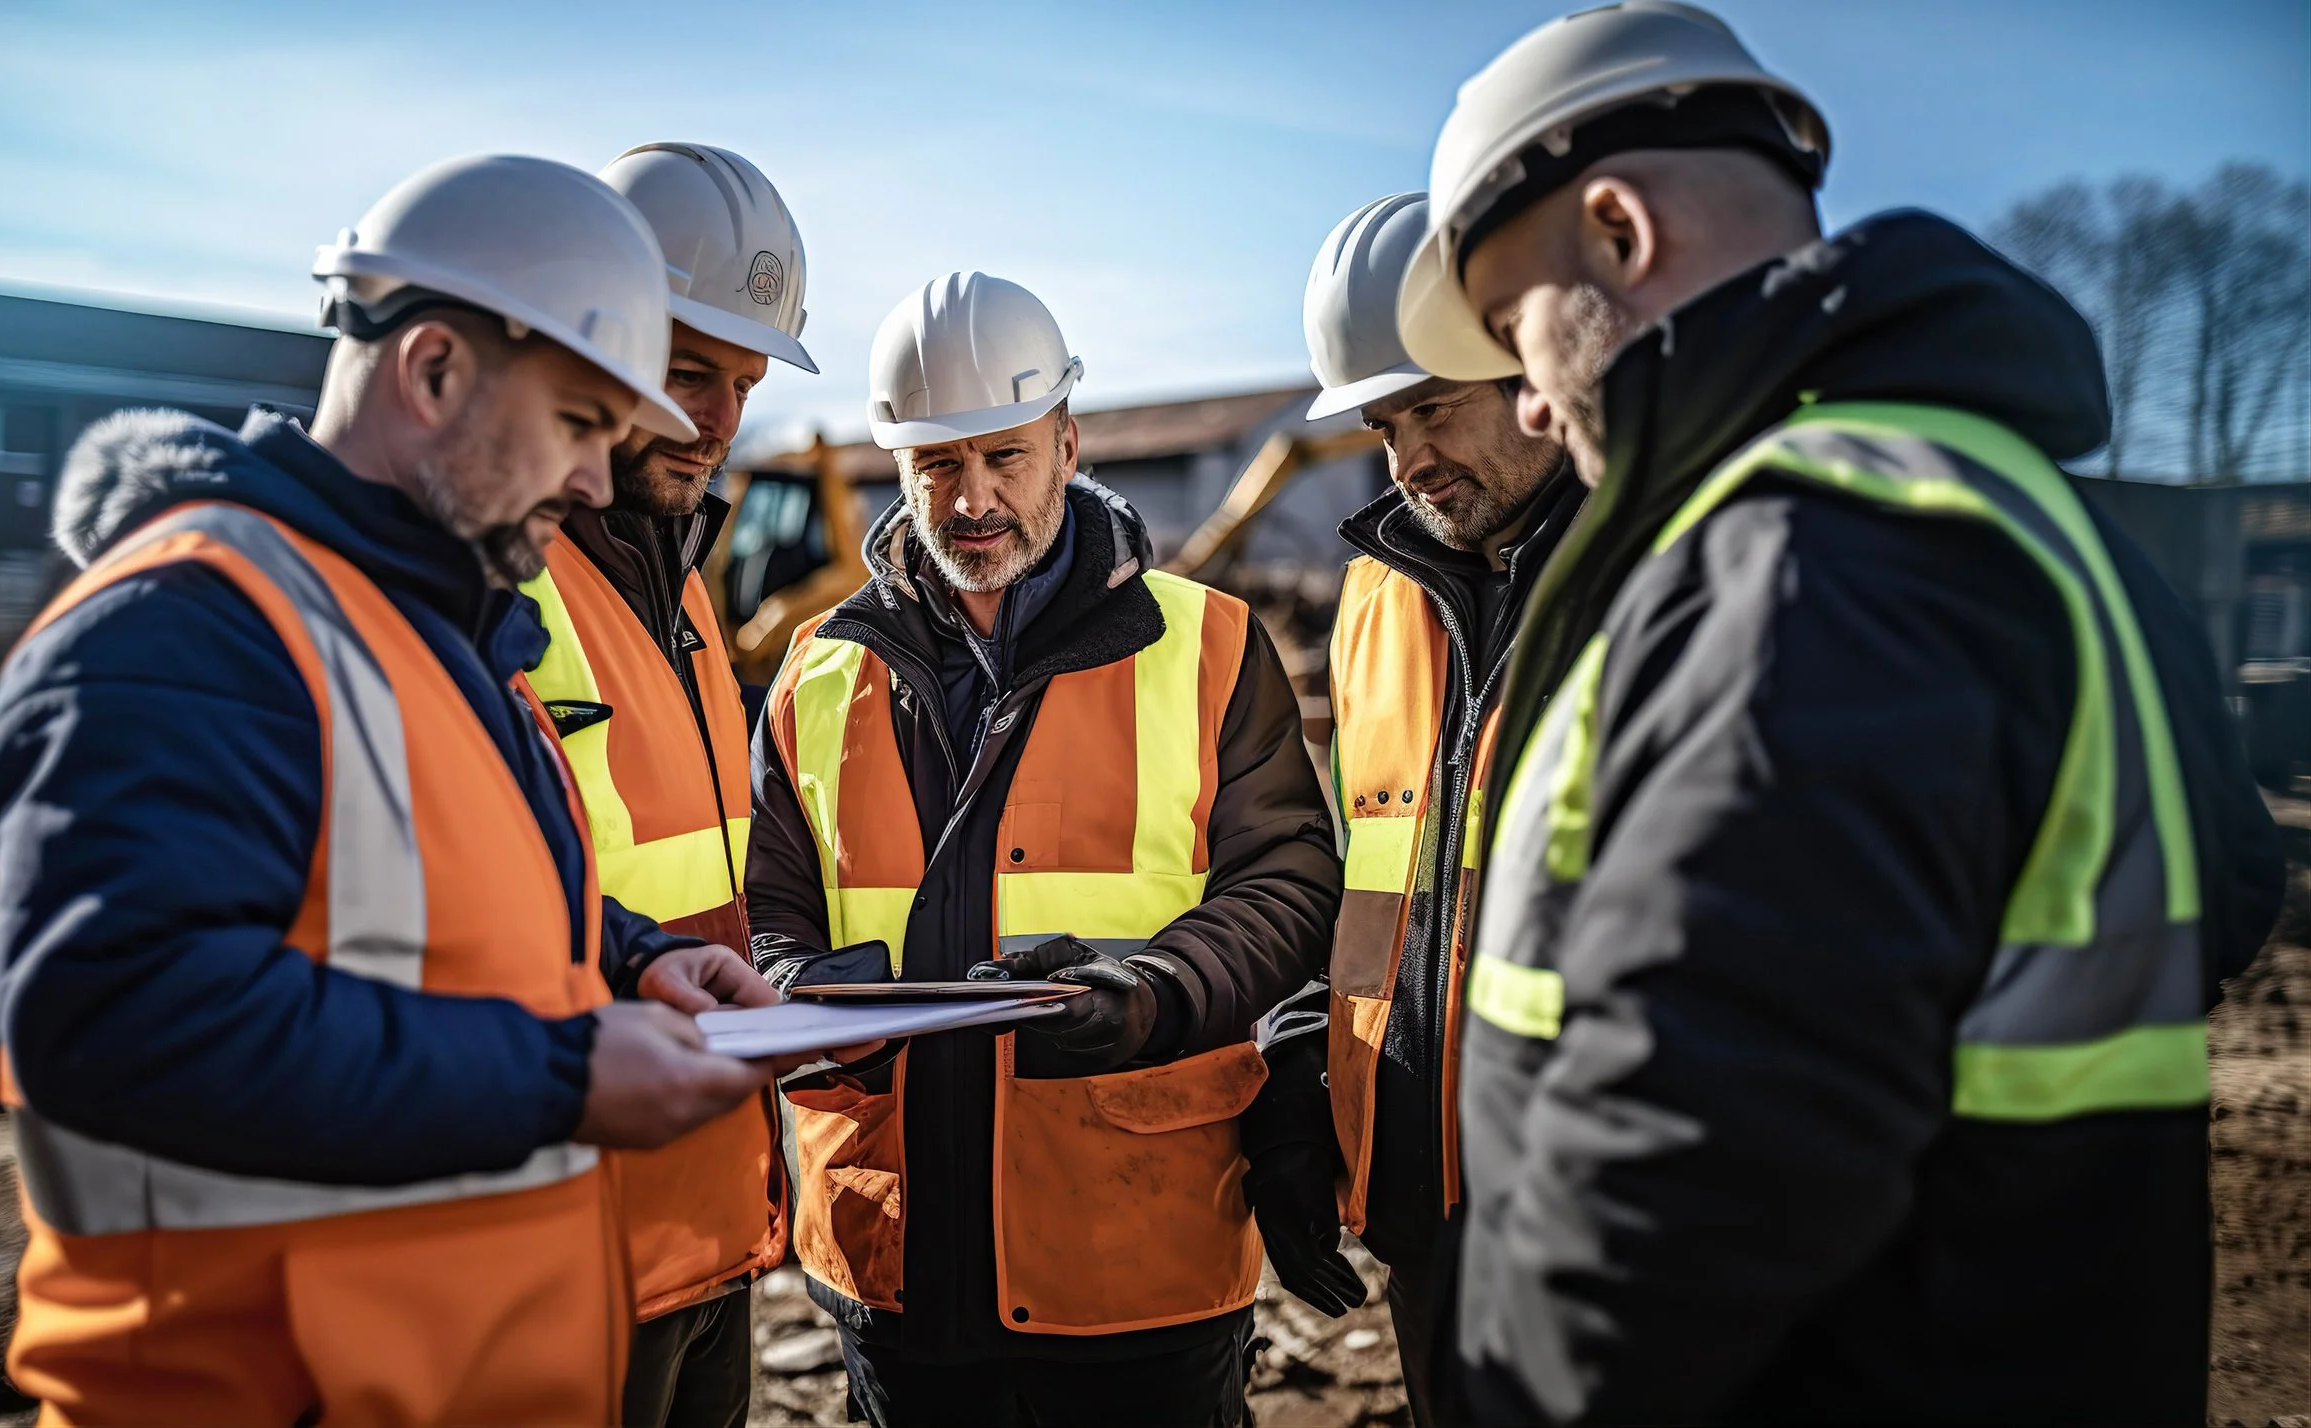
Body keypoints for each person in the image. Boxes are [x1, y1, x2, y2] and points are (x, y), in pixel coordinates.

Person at [1387, 4, 2286, 1422]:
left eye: (1517, 330)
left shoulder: (1807, 567)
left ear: (1619, 233)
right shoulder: (2032, 518)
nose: (1539, 412)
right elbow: (2227, 888)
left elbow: (1680, 1190)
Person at [0, 154, 789, 1426]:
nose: (596, 480)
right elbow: (121, 1024)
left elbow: (459, 903)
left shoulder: (433, 634)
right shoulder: (188, 631)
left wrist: (633, 959)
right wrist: (563, 1077)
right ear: (431, 371)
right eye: (581, 423)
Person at [744, 271, 1339, 1427]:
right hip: (891, 1245)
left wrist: (1153, 993)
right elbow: (768, 898)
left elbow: (1286, 881)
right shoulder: (815, 668)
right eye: (936, 464)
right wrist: (798, 995)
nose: (971, 499)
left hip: (1134, 1254)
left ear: (1066, 445)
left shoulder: (1208, 646)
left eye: (1002, 457)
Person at [1250, 191, 1580, 1426]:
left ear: (1533, 367)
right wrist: (1300, 1094)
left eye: (1432, 408)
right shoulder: (1380, 600)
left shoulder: (1670, 579)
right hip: (1431, 1230)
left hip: (1622, 1239)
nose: (1408, 460)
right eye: (1384, 425)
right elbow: (1367, 885)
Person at [521, 142, 817, 1428]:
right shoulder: (501, 582)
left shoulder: (684, 584)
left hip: (712, 1219)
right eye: (688, 372)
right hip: (566, 1243)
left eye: (742, 383)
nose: (718, 419)